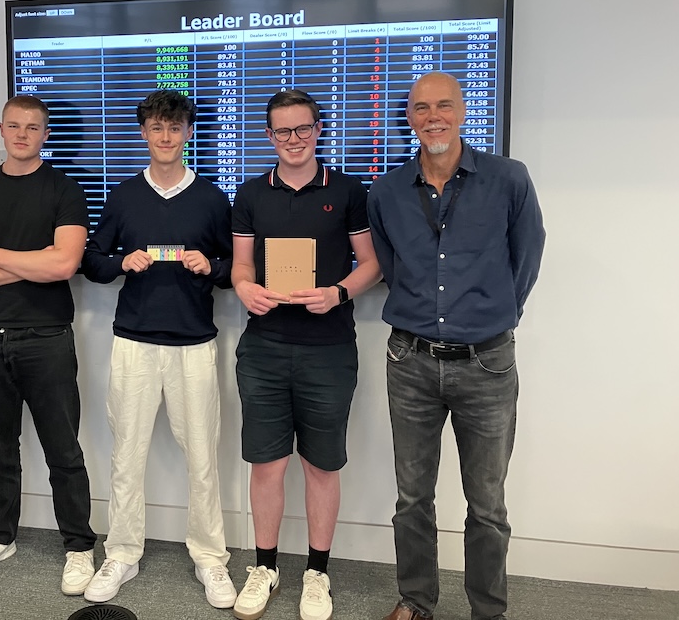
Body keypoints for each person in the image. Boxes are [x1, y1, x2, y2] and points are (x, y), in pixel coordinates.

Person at [366, 72, 545, 620]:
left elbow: (527, 257)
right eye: (421, 107)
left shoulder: (508, 179)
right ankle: (416, 602)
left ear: (464, 111)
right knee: (412, 499)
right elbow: (391, 268)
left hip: (487, 364)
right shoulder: (387, 191)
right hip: (410, 362)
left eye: (444, 105)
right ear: (410, 118)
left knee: (487, 505)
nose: (433, 116)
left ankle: (487, 611)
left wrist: (494, 315)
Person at [80, 90, 237, 608]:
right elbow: (94, 261)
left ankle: (211, 559)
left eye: (175, 128)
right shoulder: (124, 196)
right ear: (143, 133)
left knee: (203, 459)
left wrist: (209, 267)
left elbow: (234, 273)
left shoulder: (212, 198)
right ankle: (122, 552)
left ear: (188, 132)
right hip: (134, 343)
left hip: (194, 344)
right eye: (156, 128)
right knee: (127, 454)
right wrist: (122, 263)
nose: (166, 137)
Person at [231, 89, 382, 620]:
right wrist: (244, 288)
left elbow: (371, 264)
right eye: (281, 132)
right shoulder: (250, 194)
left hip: (329, 349)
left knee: (321, 464)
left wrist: (338, 293)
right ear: (268, 136)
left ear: (319, 129)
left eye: (302, 129)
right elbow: (241, 266)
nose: (292, 140)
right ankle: (265, 566)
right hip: (265, 347)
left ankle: (317, 572)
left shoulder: (347, 191)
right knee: (267, 463)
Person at [0, 95, 97, 595]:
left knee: (64, 451)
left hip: (48, 339)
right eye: (15, 126)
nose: (23, 134)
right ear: (1, 129)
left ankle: (79, 546)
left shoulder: (65, 190)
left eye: (33, 127)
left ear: (45, 134)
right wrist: (28, 260)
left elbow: (63, 266)